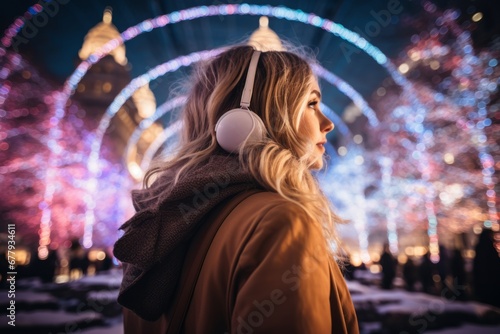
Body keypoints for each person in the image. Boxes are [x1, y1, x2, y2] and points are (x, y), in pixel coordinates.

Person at [114, 45, 359, 333]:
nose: (327, 124)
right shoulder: (281, 222)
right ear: (248, 120)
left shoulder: (161, 220)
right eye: (311, 104)